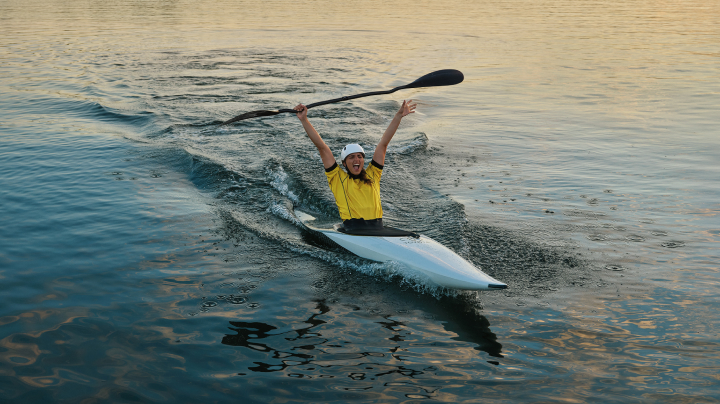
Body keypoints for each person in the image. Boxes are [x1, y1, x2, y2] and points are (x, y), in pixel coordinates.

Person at [294, 100, 417, 233]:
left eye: (359, 156)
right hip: (353, 231)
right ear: (344, 164)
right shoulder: (337, 178)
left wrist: (398, 116)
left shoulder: (373, 174)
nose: (356, 159)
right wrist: (304, 120)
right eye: (351, 157)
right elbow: (322, 147)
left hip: (378, 229)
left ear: (363, 160)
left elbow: (383, 144)